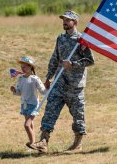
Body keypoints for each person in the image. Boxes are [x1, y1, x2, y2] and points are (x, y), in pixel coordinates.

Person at [33, 10, 95, 153]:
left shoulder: (81, 40)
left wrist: (73, 64)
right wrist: (49, 76)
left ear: (75, 22)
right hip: (59, 83)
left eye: (68, 20)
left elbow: (90, 60)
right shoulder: (60, 38)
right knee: (50, 111)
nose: (65, 22)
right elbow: (55, 58)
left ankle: (77, 144)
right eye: (63, 19)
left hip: (75, 85)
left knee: (78, 115)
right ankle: (43, 142)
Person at [10, 56, 47, 150]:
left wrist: (47, 87)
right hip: (24, 105)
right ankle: (33, 145)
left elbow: (43, 91)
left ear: (31, 67)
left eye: (25, 66)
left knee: (26, 125)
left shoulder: (35, 79)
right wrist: (14, 91)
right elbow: (19, 92)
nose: (22, 68)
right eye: (22, 66)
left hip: (33, 105)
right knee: (30, 125)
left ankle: (31, 143)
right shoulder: (21, 79)